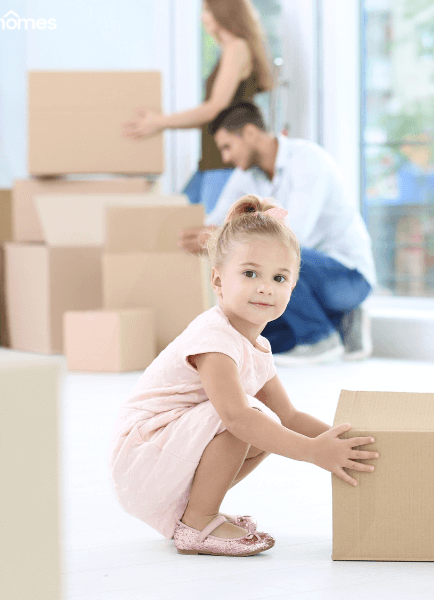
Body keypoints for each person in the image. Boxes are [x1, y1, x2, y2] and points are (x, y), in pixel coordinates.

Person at [109, 195, 379, 557]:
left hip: (168, 457)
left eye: (279, 278)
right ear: (218, 281)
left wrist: (344, 443)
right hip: (142, 459)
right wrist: (314, 453)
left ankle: (197, 510)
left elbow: (291, 418)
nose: (265, 286)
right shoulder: (214, 338)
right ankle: (197, 522)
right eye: (250, 273)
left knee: (268, 427)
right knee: (247, 418)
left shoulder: (257, 346)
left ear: (292, 287)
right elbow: (236, 417)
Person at [179, 101, 377, 366]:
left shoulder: (307, 160)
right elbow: (216, 222)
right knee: (263, 337)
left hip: (347, 278)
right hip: (304, 280)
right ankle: (339, 321)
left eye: (228, 147)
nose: (226, 158)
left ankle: (319, 339)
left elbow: (294, 236)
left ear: (249, 134)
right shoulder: (248, 174)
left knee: (274, 258)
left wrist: (223, 237)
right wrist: (202, 235)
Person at [123, 0, 273, 212]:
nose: (203, 17)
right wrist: (160, 123)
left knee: (206, 234)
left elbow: (213, 108)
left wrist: (160, 122)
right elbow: (212, 114)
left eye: (208, 11)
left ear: (224, 12)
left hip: (225, 162)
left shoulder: (237, 48)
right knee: (180, 223)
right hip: (211, 161)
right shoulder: (230, 50)